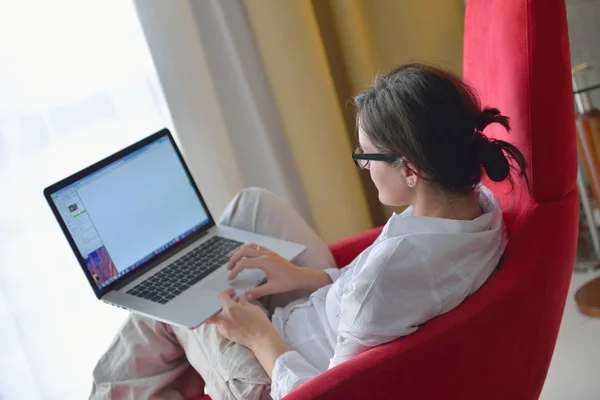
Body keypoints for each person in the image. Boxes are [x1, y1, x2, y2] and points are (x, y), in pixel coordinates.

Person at [91, 63, 528, 400]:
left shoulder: (387, 276)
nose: (364, 166)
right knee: (251, 205)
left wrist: (255, 332)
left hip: (279, 373)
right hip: (322, 315)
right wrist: (307, 278)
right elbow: (387, 295)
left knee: (163, 293)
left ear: (410, 169)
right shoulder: (478, 206)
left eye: (367, 157)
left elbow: (325, 390)